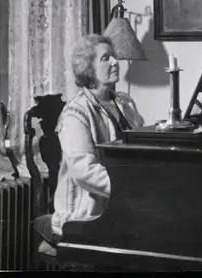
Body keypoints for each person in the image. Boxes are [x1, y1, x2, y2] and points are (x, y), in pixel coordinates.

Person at [33, 34, 145, 255]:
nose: (115, 62)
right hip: (87, 213)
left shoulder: (124, 102)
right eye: (106, 58)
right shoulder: (76, 113)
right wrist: (131, 188)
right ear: (88, 68)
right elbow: (84, 171)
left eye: (114, 56)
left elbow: (141, 145)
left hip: (123, 203)